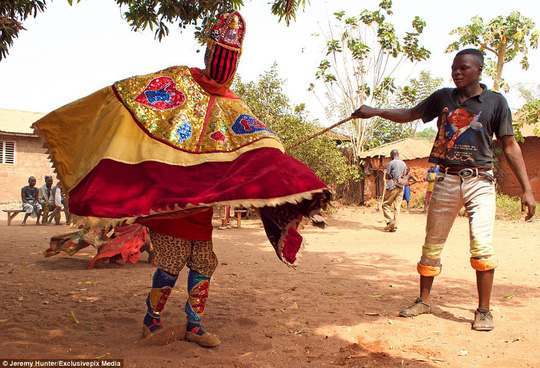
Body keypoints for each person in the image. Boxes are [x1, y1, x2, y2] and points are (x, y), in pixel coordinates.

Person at [33, 9, 330, 347]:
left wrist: (281, 166)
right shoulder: (178, 80)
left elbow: (262, 144)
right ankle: (151, 321)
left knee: (204, 264)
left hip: (200, 205)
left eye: (232, 59)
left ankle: (194, 325)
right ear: (208, 53)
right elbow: (130, 96)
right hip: (169, 200)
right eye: (221, 54)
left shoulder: (232, 104)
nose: (225, 64)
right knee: (172, 266)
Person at [352, 48, 535, 331]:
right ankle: (424, 301)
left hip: (480, 182)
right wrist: (374, 111)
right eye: (454, 68)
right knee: (432, 243)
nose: (457, 72)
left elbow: (510, 145)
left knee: (482, 246)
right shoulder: (443, 97)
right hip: (446, 180)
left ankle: (484, 310)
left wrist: (527, 189)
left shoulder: (495, 103)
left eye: (463, 68)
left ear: (479, 70)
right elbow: (410, 114)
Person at [382, 149, 407, 232]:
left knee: (386, 204)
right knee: (397, 207)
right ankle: (395, 226)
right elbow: (404, 175)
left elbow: (388, 175)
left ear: (392, 155)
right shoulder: (404, 164)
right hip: (401, 188)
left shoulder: (391, 163)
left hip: (392, 186)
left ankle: (390, 221)